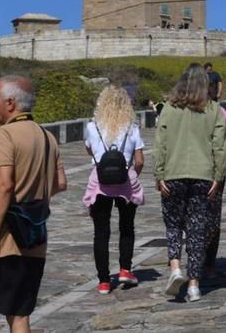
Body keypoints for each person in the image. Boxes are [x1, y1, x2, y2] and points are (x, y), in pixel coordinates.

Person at [0, 76, 67, 333]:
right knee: (19, 315)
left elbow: (4, 184)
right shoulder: (48, 137)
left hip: (5, 242)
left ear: (10, 103)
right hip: (35, 241)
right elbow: (60, 183)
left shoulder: (6, 134)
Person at [153, 63, 226, 303]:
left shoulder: (169, 109)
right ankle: (194, 285)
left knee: (173, 224)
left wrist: (159, 173)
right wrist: (218, 175)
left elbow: (160, 143)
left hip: (173, 174)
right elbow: (220, 146)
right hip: (203, 176)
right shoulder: (214, 110)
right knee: (196, 230)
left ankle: (175, 267)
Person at [82, 86, 145, 295]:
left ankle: (103, 281)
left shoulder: (92, 127)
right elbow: (139, 161)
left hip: (99, 183)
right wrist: (132, 175)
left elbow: (89, 150)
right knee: (126, 227)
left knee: (101, 232)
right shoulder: (132, 127)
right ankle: (125, 269)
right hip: (126, 180)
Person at [203, 99, 226, 278]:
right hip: (215, 171)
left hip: (190, 170)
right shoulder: (220, 111)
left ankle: (192, 256)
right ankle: (209, 264)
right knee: (213, 216)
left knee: (192, 214)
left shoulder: (182, 109)